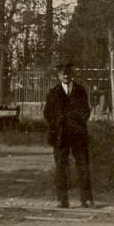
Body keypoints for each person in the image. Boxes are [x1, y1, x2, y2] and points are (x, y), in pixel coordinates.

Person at [43, 62, 94, 208]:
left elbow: (86, 110)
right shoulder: (53, 92)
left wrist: (78, 123)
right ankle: (62, 199)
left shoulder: (80, 90)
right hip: (60, 136)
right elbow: (47, 112)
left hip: (78, 134)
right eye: (63, 74)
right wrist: (57, 125)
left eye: (68, 74)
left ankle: (87, 199)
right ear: (59, 76)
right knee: (61, 166)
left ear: (72, 75)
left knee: (83, 165)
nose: (66, 76)